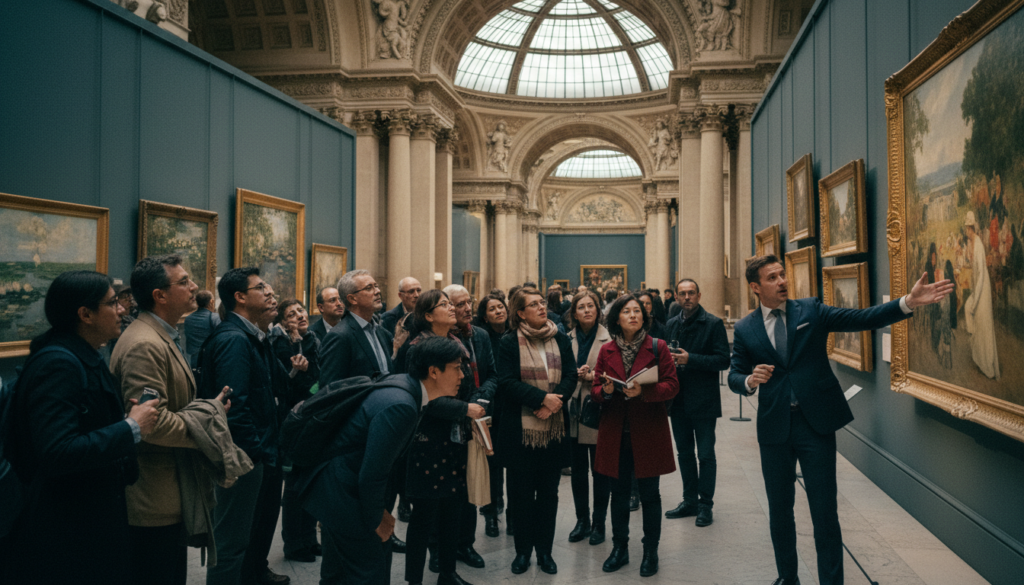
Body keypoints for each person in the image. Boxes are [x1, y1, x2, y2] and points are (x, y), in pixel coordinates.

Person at [729, 255, 953, 585]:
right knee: (779, 511)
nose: (782, 281)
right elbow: (734, 373)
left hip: (815, 425)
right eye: (772, 277)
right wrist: (749, 380)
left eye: (782, 274)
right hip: (775, 427)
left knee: (824, 512)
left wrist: (907, 302)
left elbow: (861, 318)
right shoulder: (745, 328)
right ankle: (787, 578)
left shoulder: (810, 310)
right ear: (755, 287)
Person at [4, 271, 158, 585]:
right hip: (66, 529)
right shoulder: (59, 364)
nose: (122, 310)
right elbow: (57, 450)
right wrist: (131, 427)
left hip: (83, 518)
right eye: (112, 303)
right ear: (85, 314)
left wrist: (122, 420)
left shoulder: (80, 355)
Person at [300, 336, 468, 585]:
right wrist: (377, 518)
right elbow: (373, 472)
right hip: (341, 490)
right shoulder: (402, 405)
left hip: (338, 487)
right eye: (456, 368)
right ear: (434, 371)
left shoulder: (406, 388)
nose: (462, 375)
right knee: (369, 573)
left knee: (339, 574)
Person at [111, 255, 232, 585]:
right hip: (153, 497)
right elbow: (151, 423)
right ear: (159, 295)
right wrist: (207, 423)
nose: (194, 287)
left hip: (169, 490)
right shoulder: (144, 344)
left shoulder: (161, 334)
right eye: (184, 282)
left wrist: (207, 409)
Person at [200, 267, 287, 585]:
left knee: (253, 531)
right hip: (244, 457)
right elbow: (233, 407)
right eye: (260, 287)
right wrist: (255, 453)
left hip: (259, 450)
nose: (270, 292)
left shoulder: (254, 336)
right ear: (240, 297)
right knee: (231, 544)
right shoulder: (234, 340)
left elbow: (275, 388)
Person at [592, 295, 679, 577]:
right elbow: (595, 388)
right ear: (617, 318)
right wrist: (605, 391)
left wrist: (645, 391)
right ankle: (620, 548)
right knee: (618, 494)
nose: (633, 315)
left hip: (648, 430)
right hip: (616, 431)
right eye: (627, 311)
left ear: (644, 317)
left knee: (650, 494)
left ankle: (651, 550)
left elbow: (672, 385)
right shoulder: (606, 350)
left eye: (637, 311)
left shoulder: (657, 346)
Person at [495, 287, 578, 575]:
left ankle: (544, 552)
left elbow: (570, 375)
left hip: (552, 429)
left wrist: (554, 404)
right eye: (534, 304)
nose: (542, 307)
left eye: (542, 302)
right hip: (520, 430)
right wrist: (541, 399)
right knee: (520, 495)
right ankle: (522, 552)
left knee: (548, 495)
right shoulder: (509, 342)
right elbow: (506, 382)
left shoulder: (560, 338)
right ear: (520, 313)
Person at [663, 279, 729, 528]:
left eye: (691, 293)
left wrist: (691, 359)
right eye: (682, 293)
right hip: (678, 399)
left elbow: (723, 360)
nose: (687, 297)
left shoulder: (713, 323)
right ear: (676, 297)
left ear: (699, 296)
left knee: (705, 454)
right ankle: (689, 501)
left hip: (704, 400)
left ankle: (705, 505)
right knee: (684, 453)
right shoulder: (671, 324)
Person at [445, 284, 497, 570]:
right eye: (460, 304)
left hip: (477, 417)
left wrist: (480, 399)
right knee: (446, 489)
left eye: (469, 302)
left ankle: (466, 543)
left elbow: (492, 374)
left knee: (471, 483)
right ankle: (440, 549)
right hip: (449, 419)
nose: (467, 308)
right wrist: (465, 405)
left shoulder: (480, 335)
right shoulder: (441, 338)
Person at [269, 299, 323, 563]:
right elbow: (284, 385)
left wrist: (310, 375)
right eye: (291, 314)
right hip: (293, 419)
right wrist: (297, 371)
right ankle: (294, 543)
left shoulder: (313, 339)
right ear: (282, 322)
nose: (300, 315)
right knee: (293, 485)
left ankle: (309, 538)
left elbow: (320, 375)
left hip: (314, 416)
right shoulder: (280, 344)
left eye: (301, 310)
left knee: (311, 479)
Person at [565, 289, 611, 546]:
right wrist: (574, 373)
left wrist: (591, 375)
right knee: (578, 470)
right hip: (573, 409)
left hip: (597, 409)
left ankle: (599, 522)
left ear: (598, 309)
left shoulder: (609, 338)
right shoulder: (565, 338)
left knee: (599, 470)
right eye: (581, 307)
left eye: (590, 306)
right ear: (574, 313)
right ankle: (581, 520)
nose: (586, 310)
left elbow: (614, 373)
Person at [474, 293, 511, 537]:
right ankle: (491, 513)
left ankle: (513, 514)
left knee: (512, 462)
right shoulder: (482, 337)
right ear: (485, 317)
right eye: (492, 309)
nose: (499, 311)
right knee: (491, 462)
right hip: (491, 405)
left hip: (512, 404)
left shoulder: (515, 334)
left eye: (501, 307)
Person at [319, 270, 394, 387]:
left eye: (376, 286)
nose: (378, 291)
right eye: (369, 288)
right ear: (352, 299)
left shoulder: (383, 333)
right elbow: (331, 388)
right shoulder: (339, 336)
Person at [963, 212, 999, 379]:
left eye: (967, 228)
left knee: (983, 325)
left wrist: (976, 299)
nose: (966, 231)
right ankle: (980, 360)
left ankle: (988, 367)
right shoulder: (973, 243)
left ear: (970, 229)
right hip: (978, 288)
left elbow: (982, 274)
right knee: (972, 315)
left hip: (983, 289)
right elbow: (975, 270)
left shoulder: (978, 244)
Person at [184, 290, 221, 368]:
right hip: (210, 358)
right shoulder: (215, 317)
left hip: (194, 359)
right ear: (211, 301)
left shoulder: (188, 319)